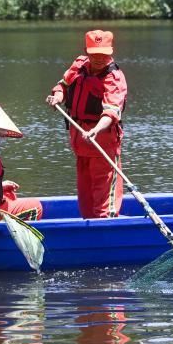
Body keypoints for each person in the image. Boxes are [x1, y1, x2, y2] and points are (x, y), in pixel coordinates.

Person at [45, 30, 128, 219]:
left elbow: (112, 111)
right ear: (86, 51)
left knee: (104, 207)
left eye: (103, 54)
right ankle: (89, 234)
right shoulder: (79, 64)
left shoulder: (114, 77)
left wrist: (96, 129)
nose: (99, 58)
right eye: (94, 54)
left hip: (103, 145)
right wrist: (57, 96)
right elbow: (63, 85)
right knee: (86, 204)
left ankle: (107, 234)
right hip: (80, 145)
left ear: (111, 51)